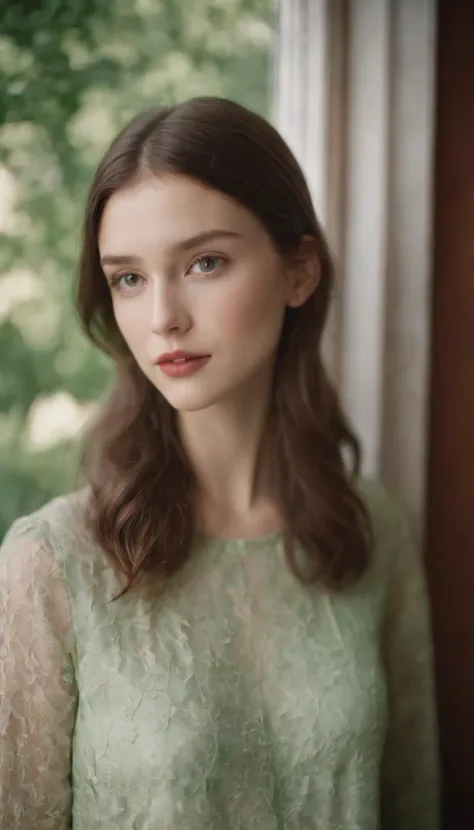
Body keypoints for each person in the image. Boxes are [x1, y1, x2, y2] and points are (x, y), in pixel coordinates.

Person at [0, 97, 439, 829]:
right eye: (128, 279)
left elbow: (415, 801)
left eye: (204, 262)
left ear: (299, 272)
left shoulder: (372, 531)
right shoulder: (51, 563)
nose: (163, 315)